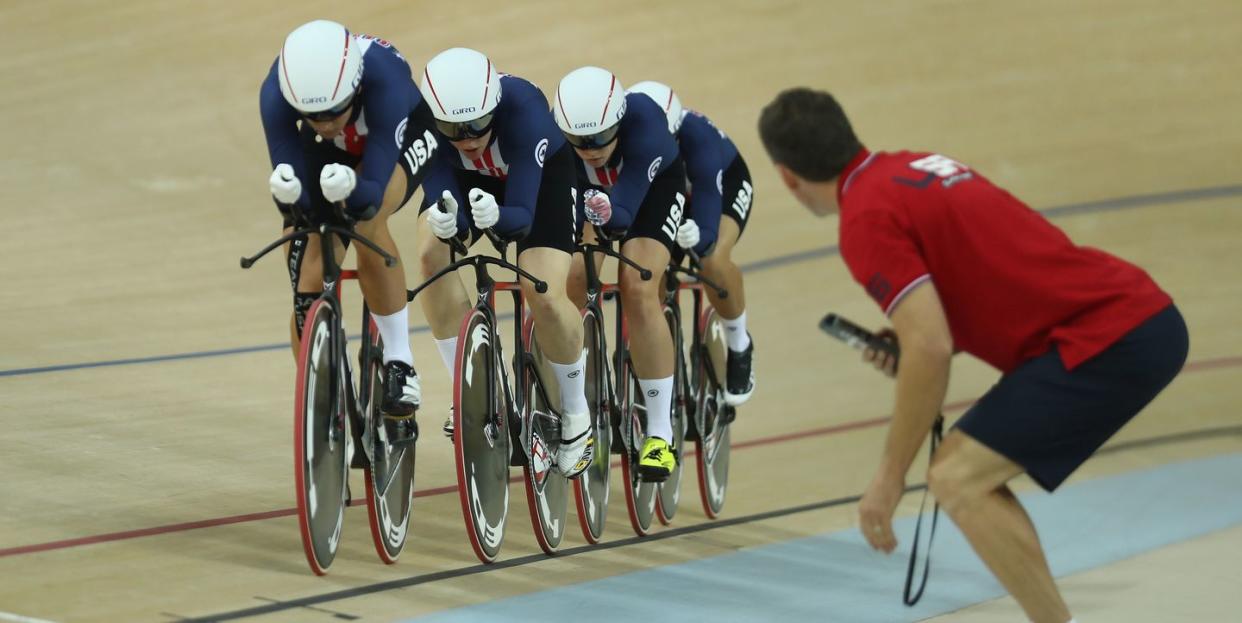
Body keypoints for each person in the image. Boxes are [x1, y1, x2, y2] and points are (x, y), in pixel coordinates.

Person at [758, 87, 1188, 623]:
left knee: (956, 476)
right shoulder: (913, 166)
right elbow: (972, 287)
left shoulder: (864, 219)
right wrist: (920, 342)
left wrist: (890, 477)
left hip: (1107, 337)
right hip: (1130, 316)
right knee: (962, 474)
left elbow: (930, 346)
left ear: (786, 176)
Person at [414, 48, 592, 477]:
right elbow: (443, 193)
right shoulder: (427, 126)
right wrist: (447, 220)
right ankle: (469, 385)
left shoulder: (524, 112)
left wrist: (499, 218)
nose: (466, 137)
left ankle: (576, 413)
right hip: (469, 181)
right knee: (428, 255)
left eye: (476, 125)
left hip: (541, 180)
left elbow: (523, 218)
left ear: (493, 107)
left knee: (542, 291)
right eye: (452, 129)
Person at [260, 20, 441, 420]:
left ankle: (400, 361)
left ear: (355, 86)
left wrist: (352, 190)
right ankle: (320, 391)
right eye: (313, 115)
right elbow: (295, 189)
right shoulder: (276, 93)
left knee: (366, 222)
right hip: (332, 152)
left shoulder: (385, 78)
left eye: (333, 111)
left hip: (403, 134)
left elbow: (371, 189)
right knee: (305, 240)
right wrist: (292, 200)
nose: (324, 122)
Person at [555, 66, 688, 482]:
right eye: (579, 141)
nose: (590, 149)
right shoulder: (564, 140)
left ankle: (659, 435)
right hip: (596, 198)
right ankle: (567, 392)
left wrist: (608, 213)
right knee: (572, 277)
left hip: (651, 195)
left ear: (618, 120)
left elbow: (626, 209)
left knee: (638, 285)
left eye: (598, 139)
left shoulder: (645, 123)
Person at [628, 81, 756, 405]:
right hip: (670, 193)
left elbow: (709, 197)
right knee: (646, 279)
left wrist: (702, 236)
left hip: (721, 187)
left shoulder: (698, 138)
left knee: (712, 261)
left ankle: (740, 345)